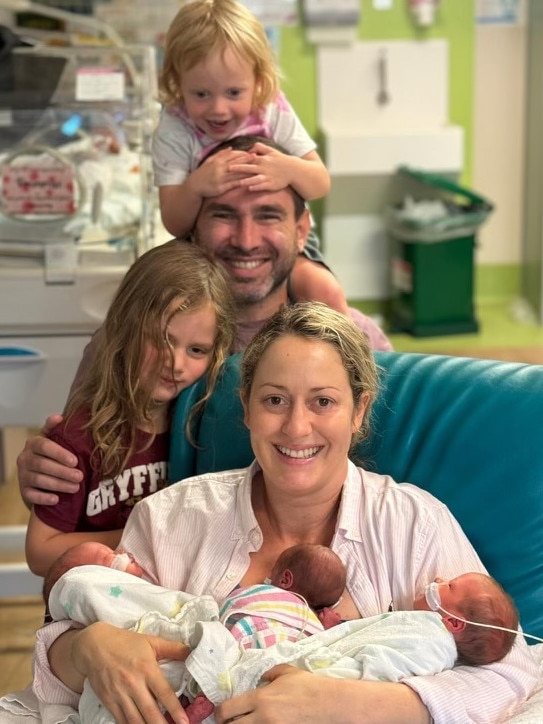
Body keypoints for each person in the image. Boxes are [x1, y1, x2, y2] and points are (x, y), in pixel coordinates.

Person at [17, 302, 537, 724]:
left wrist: (348, 706)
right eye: (274, 400)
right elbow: (65, 656)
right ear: (244, 408)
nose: (296, 427)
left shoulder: (414, 525)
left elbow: (512, 673)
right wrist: (90, 649)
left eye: (324, 402)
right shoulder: (172, 517)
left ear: (359, 411)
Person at [17, 134, 393, 509]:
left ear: (300, 230)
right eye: (224, 215)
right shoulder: (126, 344)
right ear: (192, 229)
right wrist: (47, 471)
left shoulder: (355, 339)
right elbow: (76, 465)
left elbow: (392, 473)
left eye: (268, 215)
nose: (246, 240)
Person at [25, 240, 235, 577]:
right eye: (160, 339)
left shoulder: (205, 432)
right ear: (126, 326)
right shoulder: (79, 435)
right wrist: (147, 533)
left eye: (196, 350)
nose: (176, 363)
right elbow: (39, 552)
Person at [153, 0, 347, 314]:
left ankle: (346, 360)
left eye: (233, 93)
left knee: (324, 289)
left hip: (281, 242)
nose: (218, 109)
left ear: (258, 81)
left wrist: (288, 168)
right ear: (177, 82)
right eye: (201, 94)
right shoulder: (175, 128)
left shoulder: (270, 109)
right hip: (204, 243)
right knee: (170, 302)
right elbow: (174, 222)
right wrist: (196, 186)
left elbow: (320, 183)